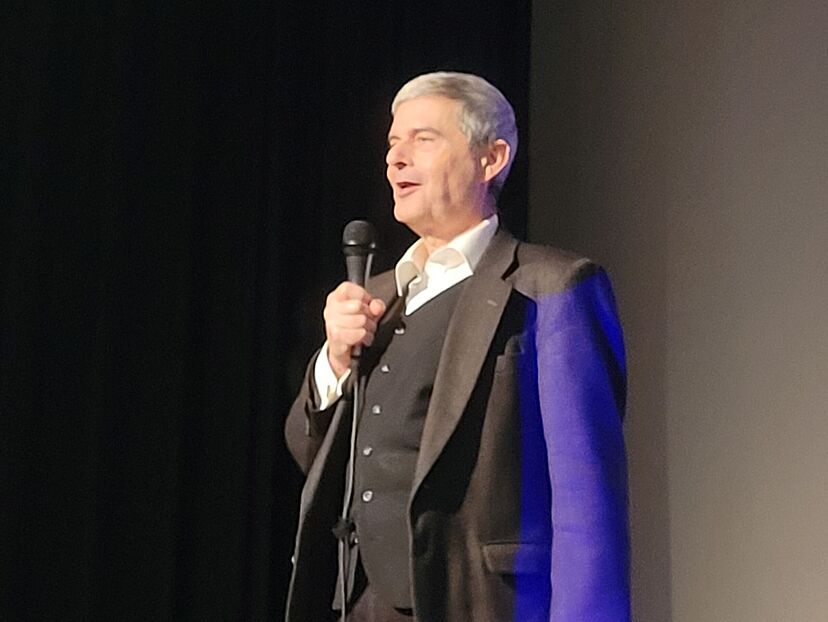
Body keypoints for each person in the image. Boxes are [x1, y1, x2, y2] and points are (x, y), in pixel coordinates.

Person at [284, 71, 630, 622]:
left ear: (491, 159)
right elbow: (313, 455)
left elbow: (587, 500)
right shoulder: (376, 298)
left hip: (483, 602)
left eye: (423, 139)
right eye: (393, 143)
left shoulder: (549, 286)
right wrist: (334, 362)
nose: (396, 159)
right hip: (360, 602)